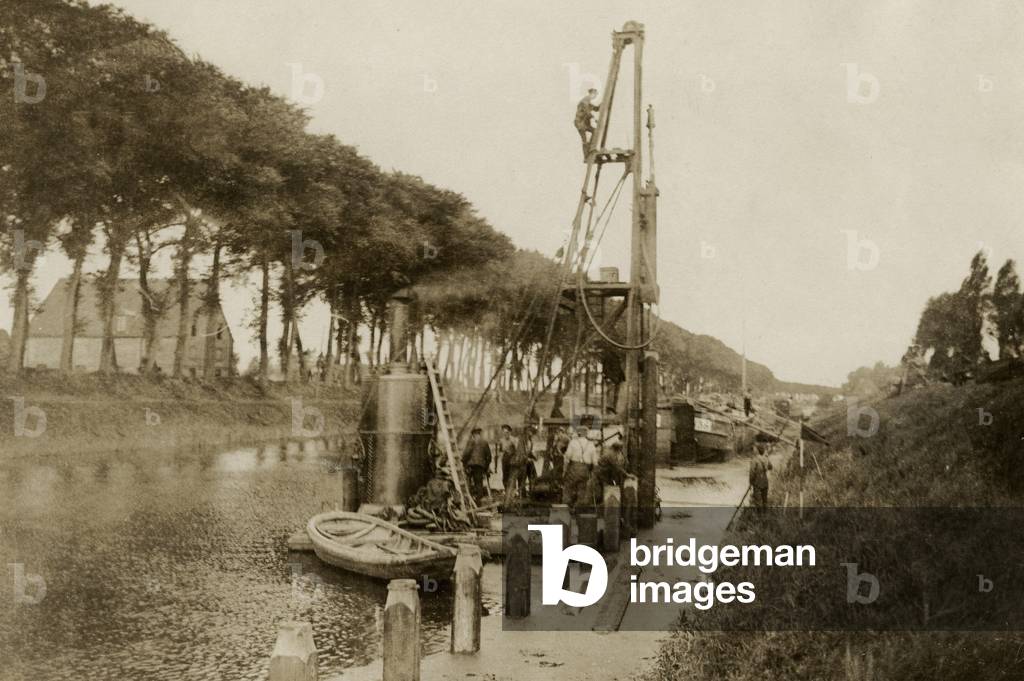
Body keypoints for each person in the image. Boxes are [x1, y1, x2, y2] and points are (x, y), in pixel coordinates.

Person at [562, 426, 597, 511]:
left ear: (578, 433)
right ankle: (578, 511)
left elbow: (567, 458)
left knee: (569, 489)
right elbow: (595, 462)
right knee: (582, 491)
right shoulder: (591, 444)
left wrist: (564, 471)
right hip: (585, 470)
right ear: (586, 434)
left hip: (573, 469)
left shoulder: (573, 442)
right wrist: (592, 475)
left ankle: (567, 510)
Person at [461, 428, 492, 501]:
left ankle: (470, 498)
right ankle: (478, 499)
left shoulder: (471, 442)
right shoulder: (484, 442)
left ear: (473, 435)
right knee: (478, 482)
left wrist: (464, 463)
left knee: (469, 481)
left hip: (471, 465)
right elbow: (489, 456)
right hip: (480, 466)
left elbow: (466, 454)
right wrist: (486, 467)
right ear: (479, 434)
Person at [574, 88, 600, 159]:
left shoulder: (588, 103)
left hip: (585, 123)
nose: (595, 96)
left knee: (594, 131)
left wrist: (603, 103)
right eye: (595, 95)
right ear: (591, 94)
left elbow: (596, 109)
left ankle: (591, 148)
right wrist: (595, 119)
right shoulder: (585, 101)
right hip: (580, 123)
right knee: (584, 139)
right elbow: (587, 112)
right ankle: (586, 155)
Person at [749, 443, 773, 511]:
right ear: (763, 451)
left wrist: (751, 482)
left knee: (758, 501)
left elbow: (752, 472)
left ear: (757, 450)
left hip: (757, 482)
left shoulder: (754, 460)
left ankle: (759, 517)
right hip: (765, 482)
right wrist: (767, 458)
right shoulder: (766, 458)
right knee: (765, 500)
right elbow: (771, 467)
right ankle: (765, 516)